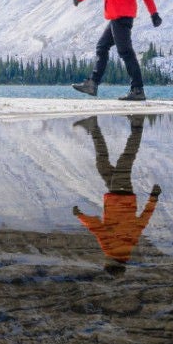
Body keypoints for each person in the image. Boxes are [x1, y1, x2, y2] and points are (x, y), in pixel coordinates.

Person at [71, 0, 161, 101]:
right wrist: (154, 13)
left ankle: (137, 89)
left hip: (119, 17)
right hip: (123, 17)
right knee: (102, 46)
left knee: (125, 52)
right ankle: (93, 83)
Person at [71, 115, 161, 271]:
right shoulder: (110, 248)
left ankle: (94, 127)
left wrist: (153, 198)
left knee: (102, 164)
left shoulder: (130, 243)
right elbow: (97, 228)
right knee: (127, 157)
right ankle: (137, 125)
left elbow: (143, 220)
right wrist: (80, 216)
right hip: (118, 194)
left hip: (121, 194)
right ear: (111, 263)